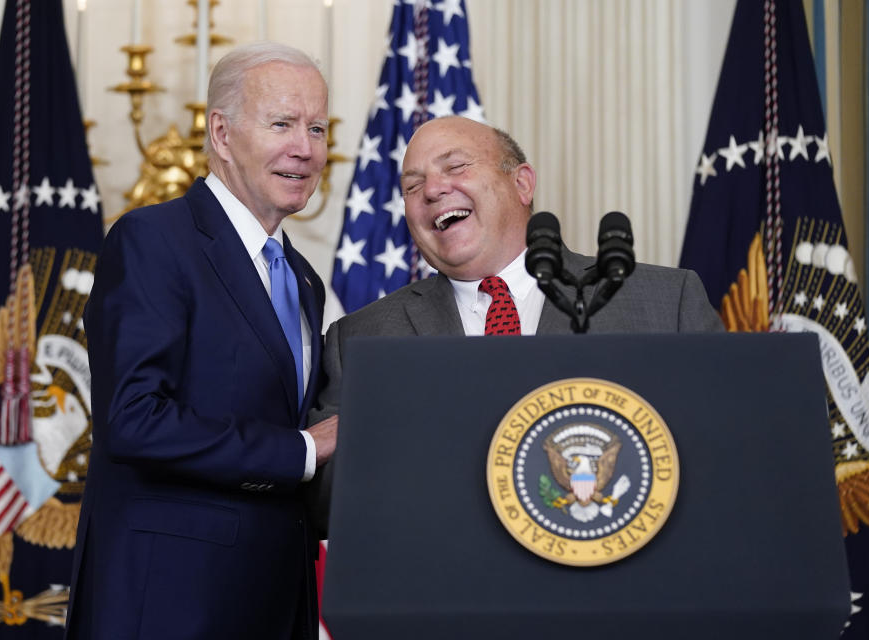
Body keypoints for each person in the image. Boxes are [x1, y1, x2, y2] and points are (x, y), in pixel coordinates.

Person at [306, 116, 722, 526]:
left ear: (522, 183)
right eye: (412, 186)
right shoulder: (362, 337)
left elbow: (728, 456)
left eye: (456, 167)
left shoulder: (666, 302)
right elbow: (323, 506)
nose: (432, 190)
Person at [65, 42, 337, 640]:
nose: (306, 148)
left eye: (317, 128)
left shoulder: (303, 278)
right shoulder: (153, 240)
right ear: (221, 132)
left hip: (272, 599)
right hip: (168, 601)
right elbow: (134, 419)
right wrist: (301, 451)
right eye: (283, 124)